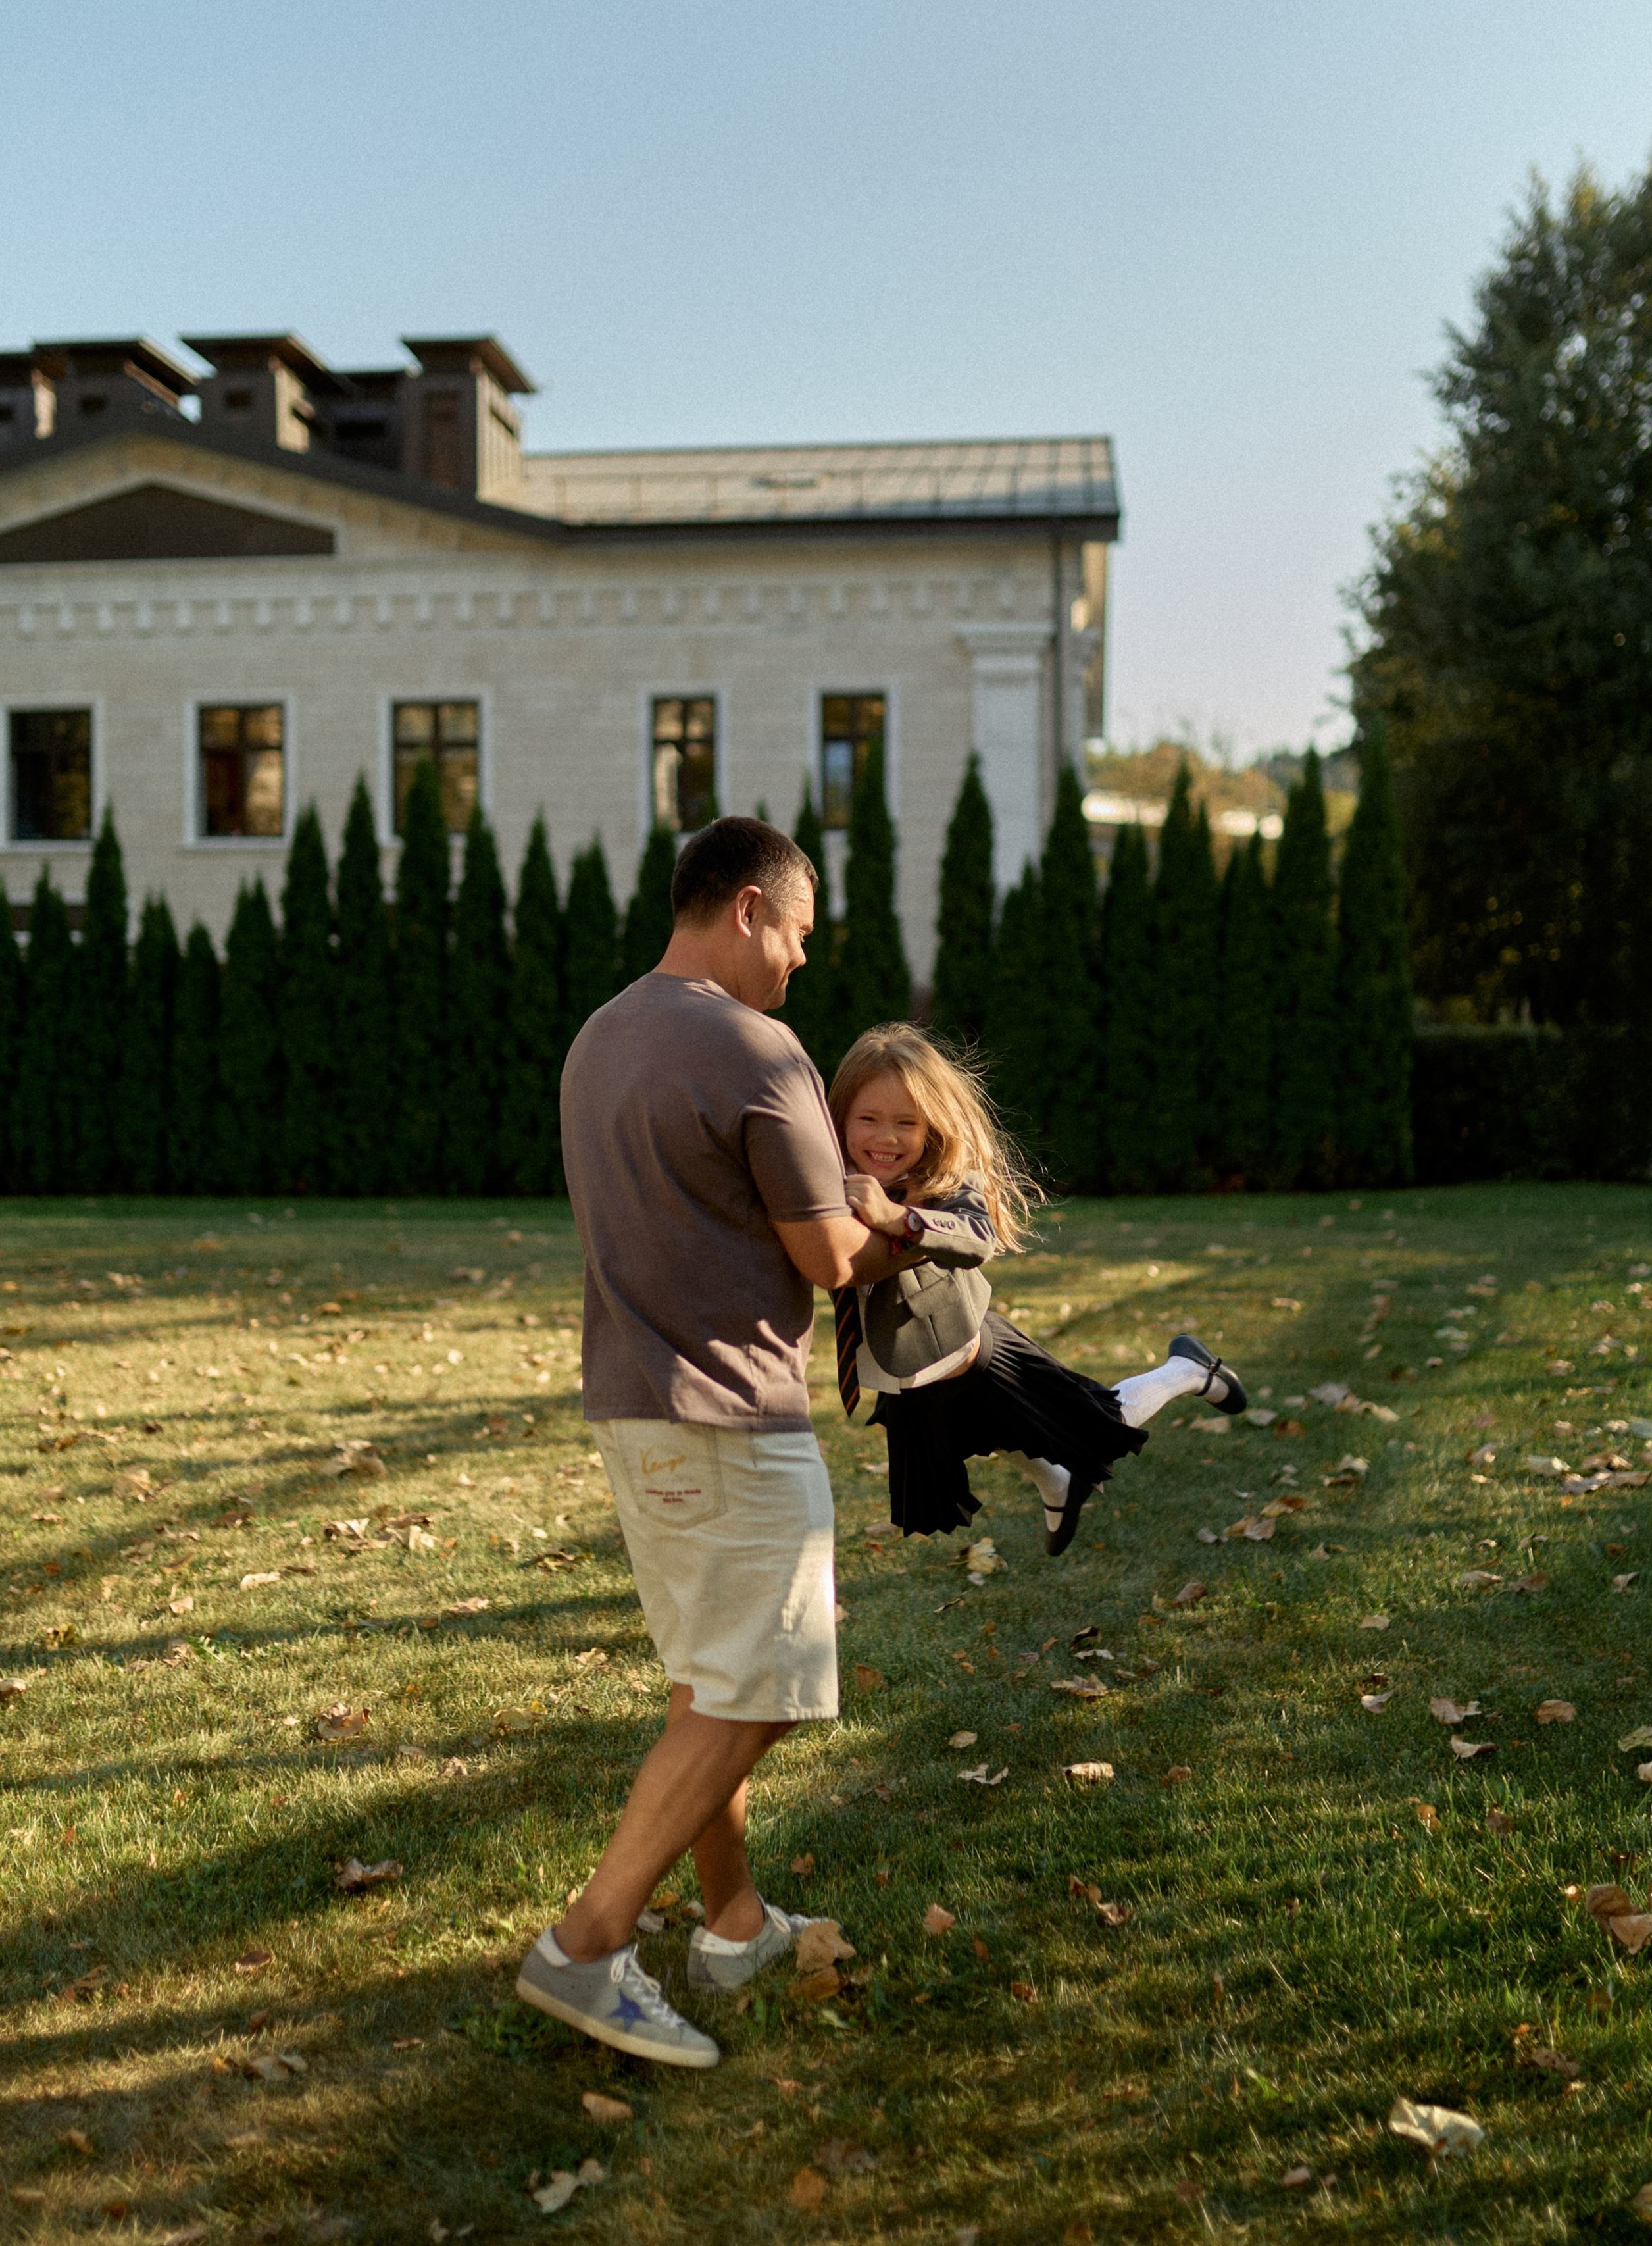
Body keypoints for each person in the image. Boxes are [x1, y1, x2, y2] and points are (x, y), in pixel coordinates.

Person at [517, 818, 898, 2071]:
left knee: (712, 1677)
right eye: (795, 931)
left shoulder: (599, 1037)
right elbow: (832, 1256)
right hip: (730, 1412)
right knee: (762, 1682)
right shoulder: (755, 1047)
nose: (799, 960)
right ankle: (587, 1942)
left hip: (632, 1408)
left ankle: (732, 1921)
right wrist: (912, 1220)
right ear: (746, 907)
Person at [828, 1025, 1247, 1552]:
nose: (885, 1138)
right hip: (910, 1379)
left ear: (932, 1126)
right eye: (867, 1119)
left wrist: (898, 1217)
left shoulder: (944, 1184)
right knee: (1001, 1437)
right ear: (839, 1116)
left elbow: (976, 1237)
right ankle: (1059, 1484)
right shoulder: (832, 1180)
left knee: (1100, 1424)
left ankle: (1185, 1370)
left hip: (972, 1355)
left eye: (905, 1123)